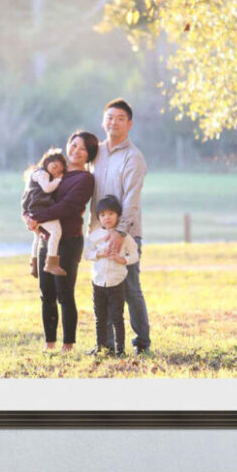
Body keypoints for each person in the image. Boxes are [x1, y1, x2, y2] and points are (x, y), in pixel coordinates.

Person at [23, 129, 98, 351]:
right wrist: (27, 215)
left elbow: (67, 207)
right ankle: (49, 344)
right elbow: (33, 195)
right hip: (47, 238)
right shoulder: (55, 172)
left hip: (68, 241)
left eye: (83, 148)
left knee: (64, 294)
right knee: (46, 294)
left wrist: (37, 217)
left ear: (89, 154)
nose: (76, 150)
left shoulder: (85, 179)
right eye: (73, 145)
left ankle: (68, 344)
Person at [91, 98, 150, 354]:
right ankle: (107, 344)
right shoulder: (96, 152)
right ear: (103, 121)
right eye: (110, 117)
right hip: (98, 234)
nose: (114, 122)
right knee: (103, 289)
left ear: (130, 124)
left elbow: (132, 200)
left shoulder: (133, 157)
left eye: (120, 118)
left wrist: (120, 232)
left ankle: (141, 343)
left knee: (129, 288)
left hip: (127, 233)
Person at [85, 194, 138, 356]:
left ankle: (120, 350)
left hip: (117, 282)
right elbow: (87, 254)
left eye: (111, 214)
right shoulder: (94, 236)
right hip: (98, 282)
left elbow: (134, 256)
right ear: (98, 218)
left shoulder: (125, 238)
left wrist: (122, 259)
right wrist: (100, 253)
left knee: (117, 317)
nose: (106, 218)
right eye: (102, 215)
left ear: (118, 216)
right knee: (100, 317)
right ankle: (101, 347)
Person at [23, 147, 69, 278]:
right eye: (54, 166)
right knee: (56, 231)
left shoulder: (38, 173)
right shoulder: (41, 173)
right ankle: (51, 262)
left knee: (38, 237)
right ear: (47, 161)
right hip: (40, 208)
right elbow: (47, 188)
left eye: (59, 170)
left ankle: (34, 264)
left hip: (34, 209)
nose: (55, 171)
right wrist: (58, 180)